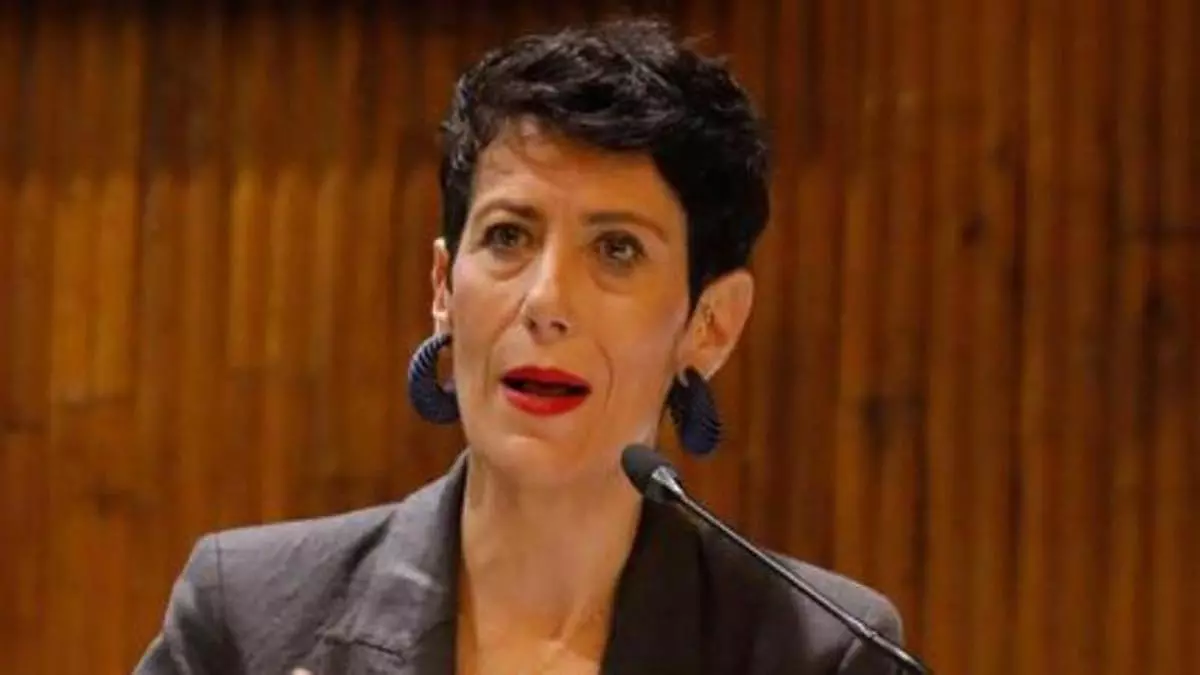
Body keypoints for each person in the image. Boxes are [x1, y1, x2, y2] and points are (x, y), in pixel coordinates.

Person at [134, 18, 905, 675]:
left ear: (711, 323)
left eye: (617, 249)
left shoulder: (819, 653)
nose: (545, 302)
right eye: (508, 236)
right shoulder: (250, 621)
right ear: (444, 285)